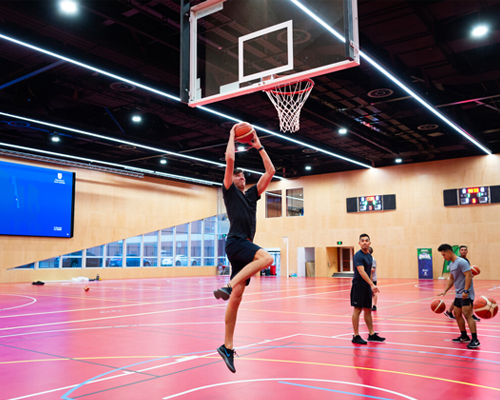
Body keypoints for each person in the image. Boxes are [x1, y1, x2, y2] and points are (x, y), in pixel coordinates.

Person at [213, 123, 275, 373]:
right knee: (267, 258)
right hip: (236, 241)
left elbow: (270, 171)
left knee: (236, 300)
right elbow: (229, 159)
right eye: (239, 175)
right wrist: (231, 134)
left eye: (243, 176)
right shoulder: (229, 191)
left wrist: (258, 145)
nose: (242, 177)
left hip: (243, 246)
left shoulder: (251, 195)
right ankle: (226, 286)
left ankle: (226, 347)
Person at [437, 244, 480, 349]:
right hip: (458, 294)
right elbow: (451, 279)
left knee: (467, 314)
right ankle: (464, 336)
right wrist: (445, 290)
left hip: (466, 294)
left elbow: (468, 276)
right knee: (457, 314)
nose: (443, 257)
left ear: (449, 252)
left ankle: (475, 340)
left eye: (444, 255)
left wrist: (466, 291)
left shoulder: (462, 262)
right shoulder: (452, 264)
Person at [351, 234, 385, 344]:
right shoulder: (358, 255)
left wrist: (371, 287)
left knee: (368, 310)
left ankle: (371, 334)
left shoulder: (369, 257)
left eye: (366, 240)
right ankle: (356, 336)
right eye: (362, 241)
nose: (364, 242)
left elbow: (369, 272)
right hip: (358, 285)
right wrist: (371, 284)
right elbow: (361, 271)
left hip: (366, 287)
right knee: (357, 310)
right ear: (359, 243)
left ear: (369, 243)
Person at [443, 245, 480, 322]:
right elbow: (454, 276)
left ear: (467, 251)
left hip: (465, 284)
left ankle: (449, 312)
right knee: (465, 300)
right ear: (459, 252)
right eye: (462, 250)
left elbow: (466, 274)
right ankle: (471, 315)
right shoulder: (458, 261)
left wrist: (470, 275)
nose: (463, 251)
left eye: (465, 250)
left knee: (458, 299)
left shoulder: (466, 260)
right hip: (461, 285)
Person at [368, 247, 378, 311]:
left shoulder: (372, 259)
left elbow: (373, 269)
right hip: (366, 278)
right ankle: (367, 305)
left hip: (373, 279)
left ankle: (374, 305)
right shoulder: (365, 259)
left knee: (373, 292)